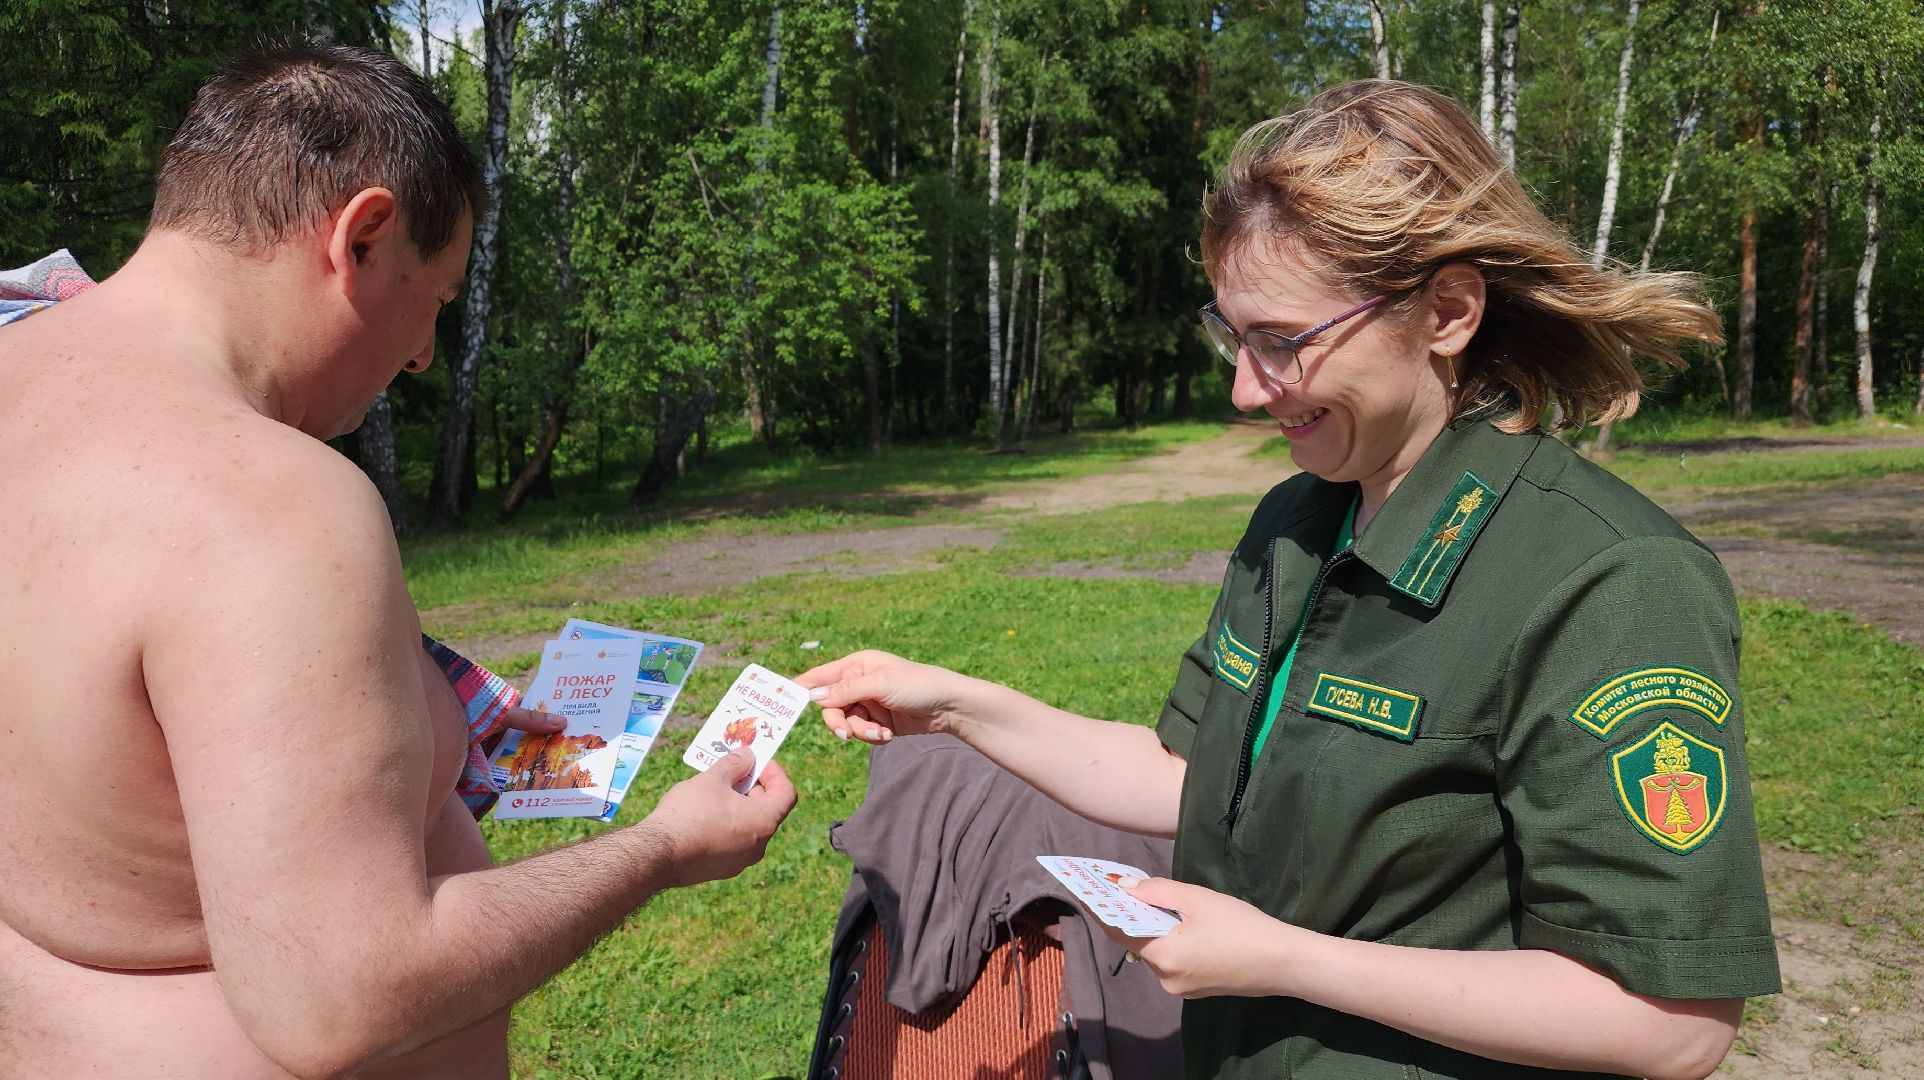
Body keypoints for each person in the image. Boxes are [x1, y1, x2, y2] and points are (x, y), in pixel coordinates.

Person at [801, 79, 1778, 1080]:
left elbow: (1670, 1022)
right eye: (1233, 335)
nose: (1241, 388)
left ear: (1445, 312)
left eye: (1284, 342)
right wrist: (957, 707)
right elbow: (1193, 780)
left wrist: (1282, 961)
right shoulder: (1299, 521)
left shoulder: (1608, 581)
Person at [0, 43, 795, 1079]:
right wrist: (664, 849)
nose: (422, 354)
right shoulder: (269, 501)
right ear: (362, 237)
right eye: (437, 297)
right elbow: (343, 995)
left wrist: (433, 698)